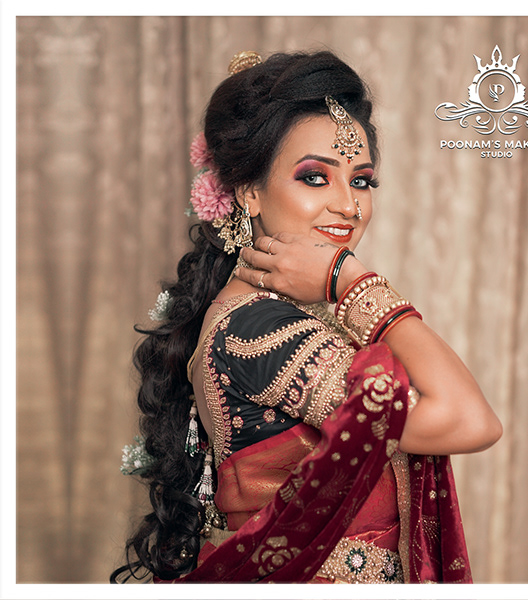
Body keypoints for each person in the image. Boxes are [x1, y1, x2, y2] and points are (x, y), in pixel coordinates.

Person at [111, 49, 502, 585]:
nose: (349, 205)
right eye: (316, 177)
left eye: (361, 180)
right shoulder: (258, 329)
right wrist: (351, 281)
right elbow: (470, 419)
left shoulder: (272, 317)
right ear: (248, 192)